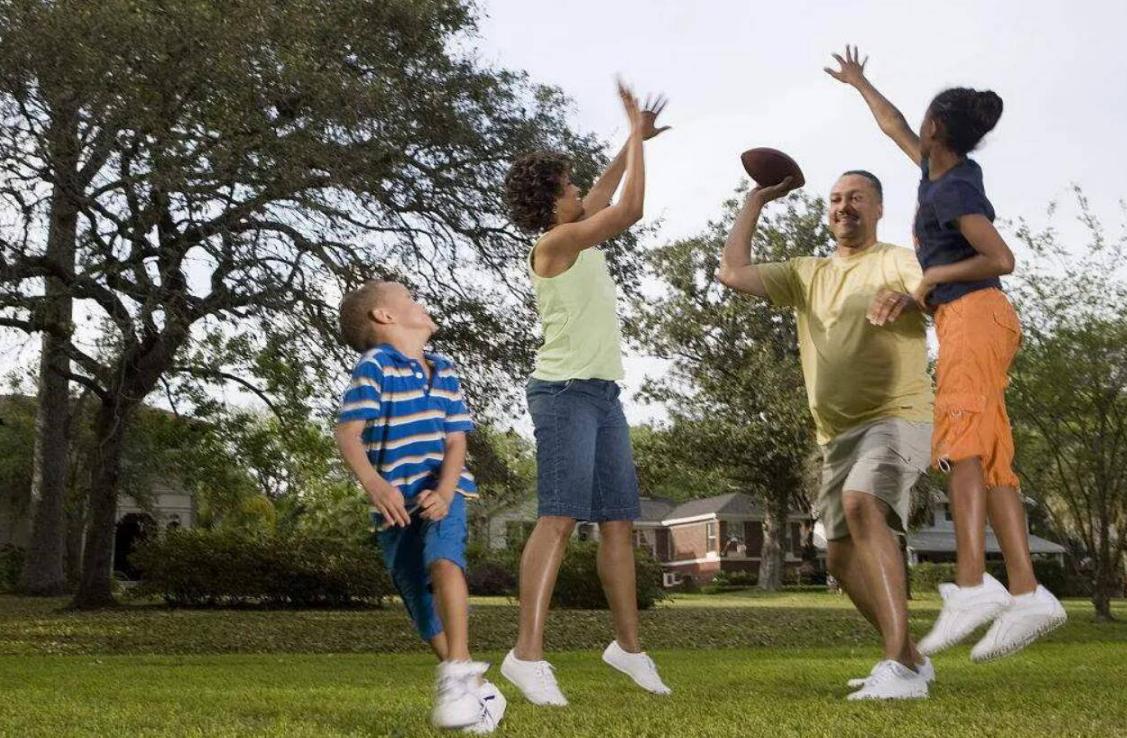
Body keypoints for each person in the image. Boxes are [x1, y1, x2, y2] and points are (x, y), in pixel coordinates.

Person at [827, 45, 1066, 662]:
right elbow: (894, 125)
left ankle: (970, 585)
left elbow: (1000, 259)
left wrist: (927, 283)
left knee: (959, 443)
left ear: (938, 127)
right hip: (972, 322)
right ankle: (1027, 591)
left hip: (975, 317)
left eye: (924, 119)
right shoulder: (937, 171)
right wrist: (860, 83)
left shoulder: (952, 189)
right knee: (991, 461)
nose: (915, 126)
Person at [718, 169, 935, 700]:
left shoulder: (897, 260)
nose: (844, 207)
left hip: (899, 414)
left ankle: (898, 668)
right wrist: (755, 200)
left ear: (878, 208)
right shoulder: (806, 273)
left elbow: (937, 289)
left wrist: (915, 298)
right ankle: (910, 658)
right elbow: (732, 272)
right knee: (838, 557)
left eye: (856, 197)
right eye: (836, 199)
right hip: (836, 435)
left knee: (864, 506)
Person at [498, 81, 672, 706]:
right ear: (552, 201)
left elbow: (604, 195)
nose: (579, 192)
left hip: (603, 395)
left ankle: (627, 648)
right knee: (559, 517)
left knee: (620, 522)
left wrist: (632, 138)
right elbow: (627, 211)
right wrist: (636, 144)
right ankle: (526, 655)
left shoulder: (575, 230)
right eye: (569, 187)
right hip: (563, 394)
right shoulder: (554, 244)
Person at [334, 280, 505, 733]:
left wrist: (447, 492)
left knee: (444, 562)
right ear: (385, 318)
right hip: (395, 505)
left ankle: (458, 671)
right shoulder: (376, 367)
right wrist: (374, 484)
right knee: (417, 596)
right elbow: (347, 433)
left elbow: (456, 440)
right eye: (409, 298)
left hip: (441, 495)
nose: (420, 302)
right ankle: (476, 690)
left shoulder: (444, 369)